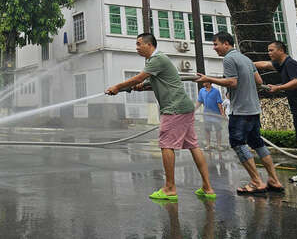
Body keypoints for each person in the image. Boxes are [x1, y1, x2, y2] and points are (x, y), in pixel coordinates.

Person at [105, 33, 216, 201]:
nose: (136, 47)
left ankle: (170, 188)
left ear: (149, 45)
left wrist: (117, 86)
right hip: (184, 107)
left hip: (174, 108)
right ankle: (207, 188)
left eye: (139, 44)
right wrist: (143, 88)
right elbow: (161, 82)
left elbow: (139, 77)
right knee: (193, 145)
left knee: (166, 145)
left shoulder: (157, 59)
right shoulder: (155, 61)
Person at [196, 32, 284, 194]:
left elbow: (232, 82)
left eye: (216, 44)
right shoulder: (246, 59)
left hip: (241, 111)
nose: (214, 48)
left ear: (226, 44)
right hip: (253, 109)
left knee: (237, 143)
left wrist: (209, 79)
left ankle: (257, 181)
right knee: (257, 143)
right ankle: (274, 180)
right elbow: (259, 81)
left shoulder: (229, 59)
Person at [255, 41, 297, 186]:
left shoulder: (290, 63)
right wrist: (248, 64)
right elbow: (265, 64)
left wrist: (278, 88)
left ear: (281, 50)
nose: (269, 53)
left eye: (271, 50)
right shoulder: (281, 64)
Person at [196, 81, 226, 150]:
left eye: (205, 81)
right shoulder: (202, 91)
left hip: (216, 115)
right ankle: (208, 145)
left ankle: (219, 145)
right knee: (207, 130)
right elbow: (199, 101)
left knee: (218, 130)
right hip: (207, 114)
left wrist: (222, 113)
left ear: (209, 82)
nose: (203, 82)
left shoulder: (216, 91)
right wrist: (194, 110)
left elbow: (219, 103)